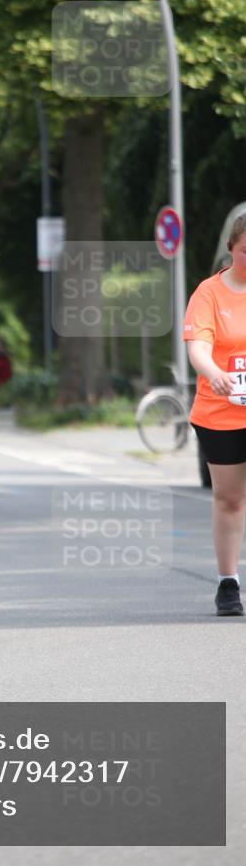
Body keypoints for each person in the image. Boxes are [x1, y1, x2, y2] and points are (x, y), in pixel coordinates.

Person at [184, 213, 246, 616]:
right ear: (231, 248)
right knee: (229, 498)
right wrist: (215, 373)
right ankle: (228, 583)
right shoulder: (209, 294)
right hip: (221, 410)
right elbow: (198, 349)